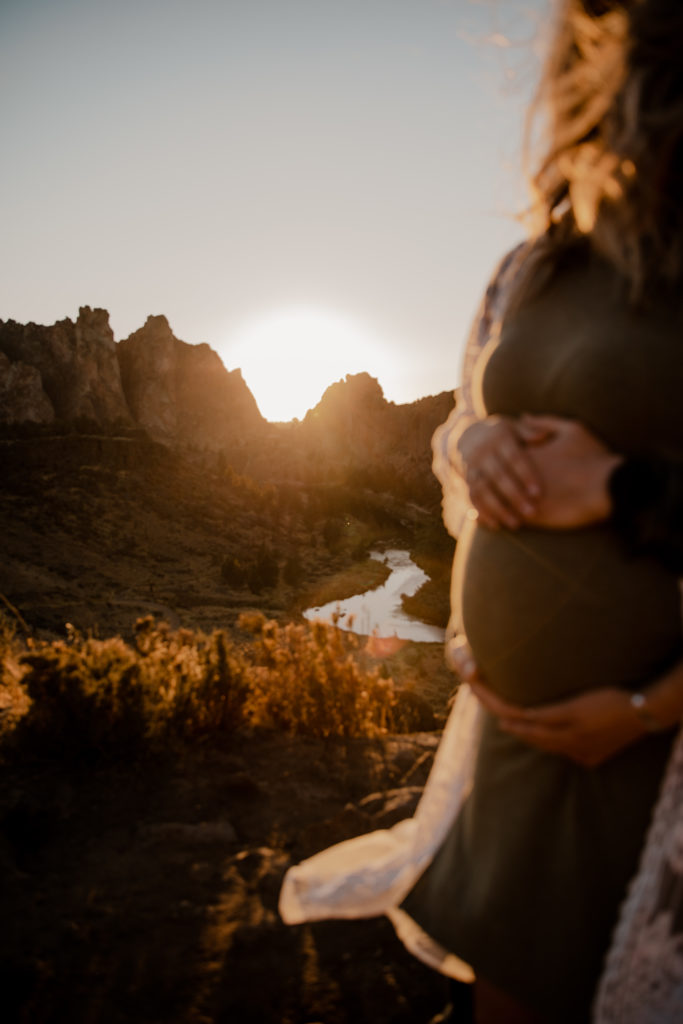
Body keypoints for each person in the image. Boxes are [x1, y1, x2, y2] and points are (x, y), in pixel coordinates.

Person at [280, 1, 683, 1020]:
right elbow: (456, 424)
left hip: (647, 745)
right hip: (515, 741)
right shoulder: (539, 260)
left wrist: (626, 492)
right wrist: (475, 440)